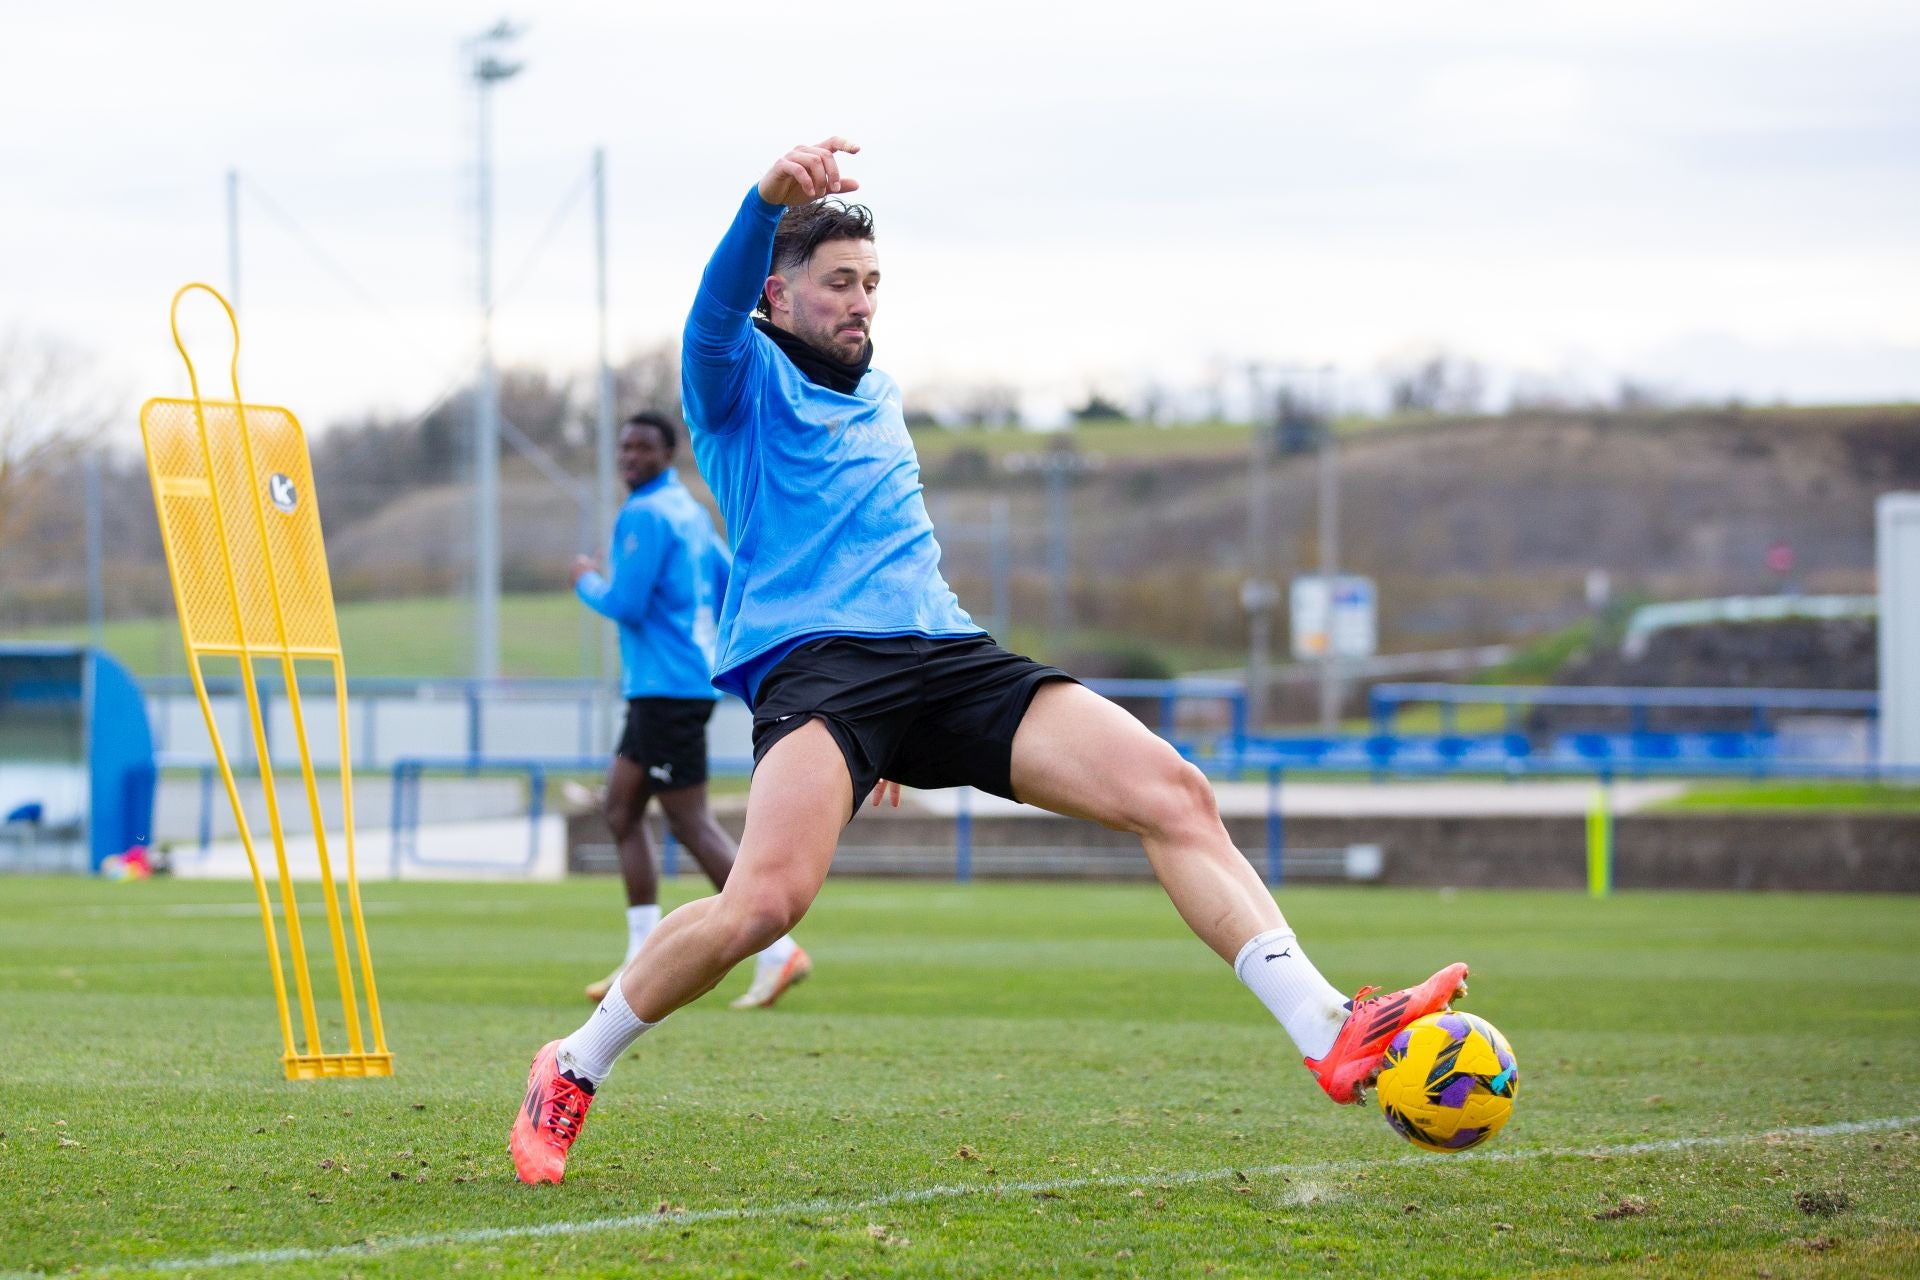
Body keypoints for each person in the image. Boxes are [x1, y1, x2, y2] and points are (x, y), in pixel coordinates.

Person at [510, 139, 1468, 1184]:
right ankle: (571, 1062)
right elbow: (712, 307)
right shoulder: (734, 380)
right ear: (779, 295)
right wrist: (763, 200)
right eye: (838, 283)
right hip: (821, 671)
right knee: (763, 902)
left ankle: (1328, 1027)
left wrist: (904, 717)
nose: (860, 302)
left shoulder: (879, 391)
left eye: (872, 284)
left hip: (944, 655)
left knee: (1176, 790)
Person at [570, 410, 810, 1012]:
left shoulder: (647, 513)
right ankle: (640, 950)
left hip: (666, 690)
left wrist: (585, 581)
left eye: (642, 448)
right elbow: (731, 578)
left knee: (691, 822)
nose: (630, 456)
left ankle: (778, 950)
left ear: (667, 454)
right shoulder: (686, 510)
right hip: (671, 687)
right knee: (621, 809)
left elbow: (625, 602)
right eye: (624, 447)